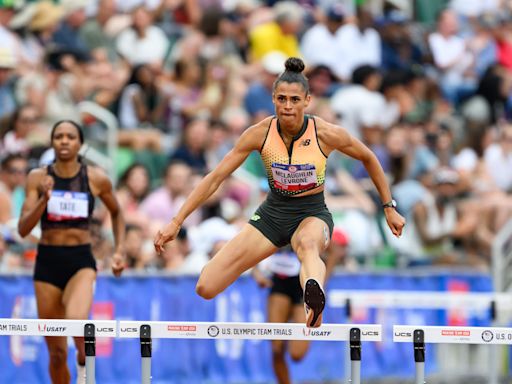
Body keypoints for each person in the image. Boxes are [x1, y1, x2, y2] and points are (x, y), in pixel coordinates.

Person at [154, 57, 405, 328]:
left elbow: (369, 158)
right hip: (272, 214)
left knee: (308, 246)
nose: (287, 106)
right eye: (282, 99)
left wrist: (388, 206)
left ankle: (313, 297)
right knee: (205, 286)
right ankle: (310, 291)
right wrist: (176, 221)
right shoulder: (259, 133)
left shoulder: (324, 132)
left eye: (294, 100)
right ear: (273, 98)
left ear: (307, 101)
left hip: (311, 212)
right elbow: (215, 178)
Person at [18, 120, 125, 384]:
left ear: (80, 143)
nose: (64, 141)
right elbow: (22, 229)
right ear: (52, 142)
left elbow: (117, 211)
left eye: (70, 136)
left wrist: (119, 250)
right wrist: (44, 200)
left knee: (76, 322)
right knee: (55, 352)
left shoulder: (95, 178)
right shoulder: (37, 178)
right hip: (47, 262)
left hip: (80, 260)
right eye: (59, 136)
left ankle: (82, 359)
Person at [252, 229, 350, 384]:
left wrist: (322, 282)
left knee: (297, 354)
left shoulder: (308, 221)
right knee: (276, 348)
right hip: (279, 283)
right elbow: (252, 245)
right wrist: (256, 272)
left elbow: (335, 252)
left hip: (303, 286)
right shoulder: (275, 217)